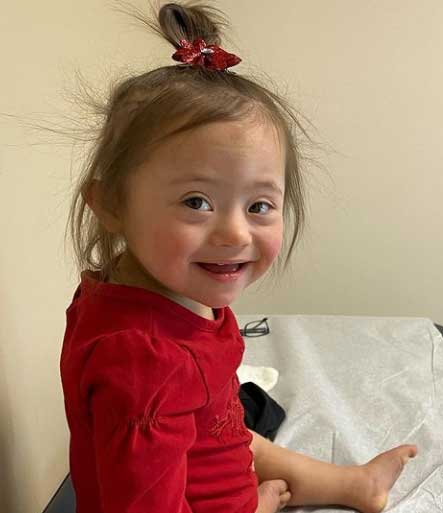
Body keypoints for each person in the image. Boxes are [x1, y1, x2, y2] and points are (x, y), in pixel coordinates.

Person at [59, 2, 418, 513]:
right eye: (196, 202)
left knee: (243, 435)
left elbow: (216, 431)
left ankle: (354, 485)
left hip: (212, 452)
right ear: (113, 204)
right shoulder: (147, 364)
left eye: (260, 206)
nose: (234, 233)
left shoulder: (159, 290)